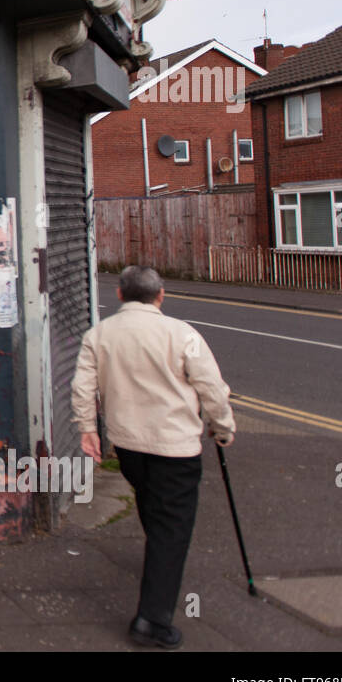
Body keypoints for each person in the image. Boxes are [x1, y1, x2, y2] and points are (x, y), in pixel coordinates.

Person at [71, 265, 235, 649]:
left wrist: (87, 430)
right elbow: (211, 387)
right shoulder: (182, 334)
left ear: (120, 295)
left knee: (152, 506)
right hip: (175, 447)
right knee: (172, 531)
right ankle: (151, 620)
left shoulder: (100, 335)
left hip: (129, 446)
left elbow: (83, 387)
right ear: (161, 295)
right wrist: (222, 427)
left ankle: (156, 569)